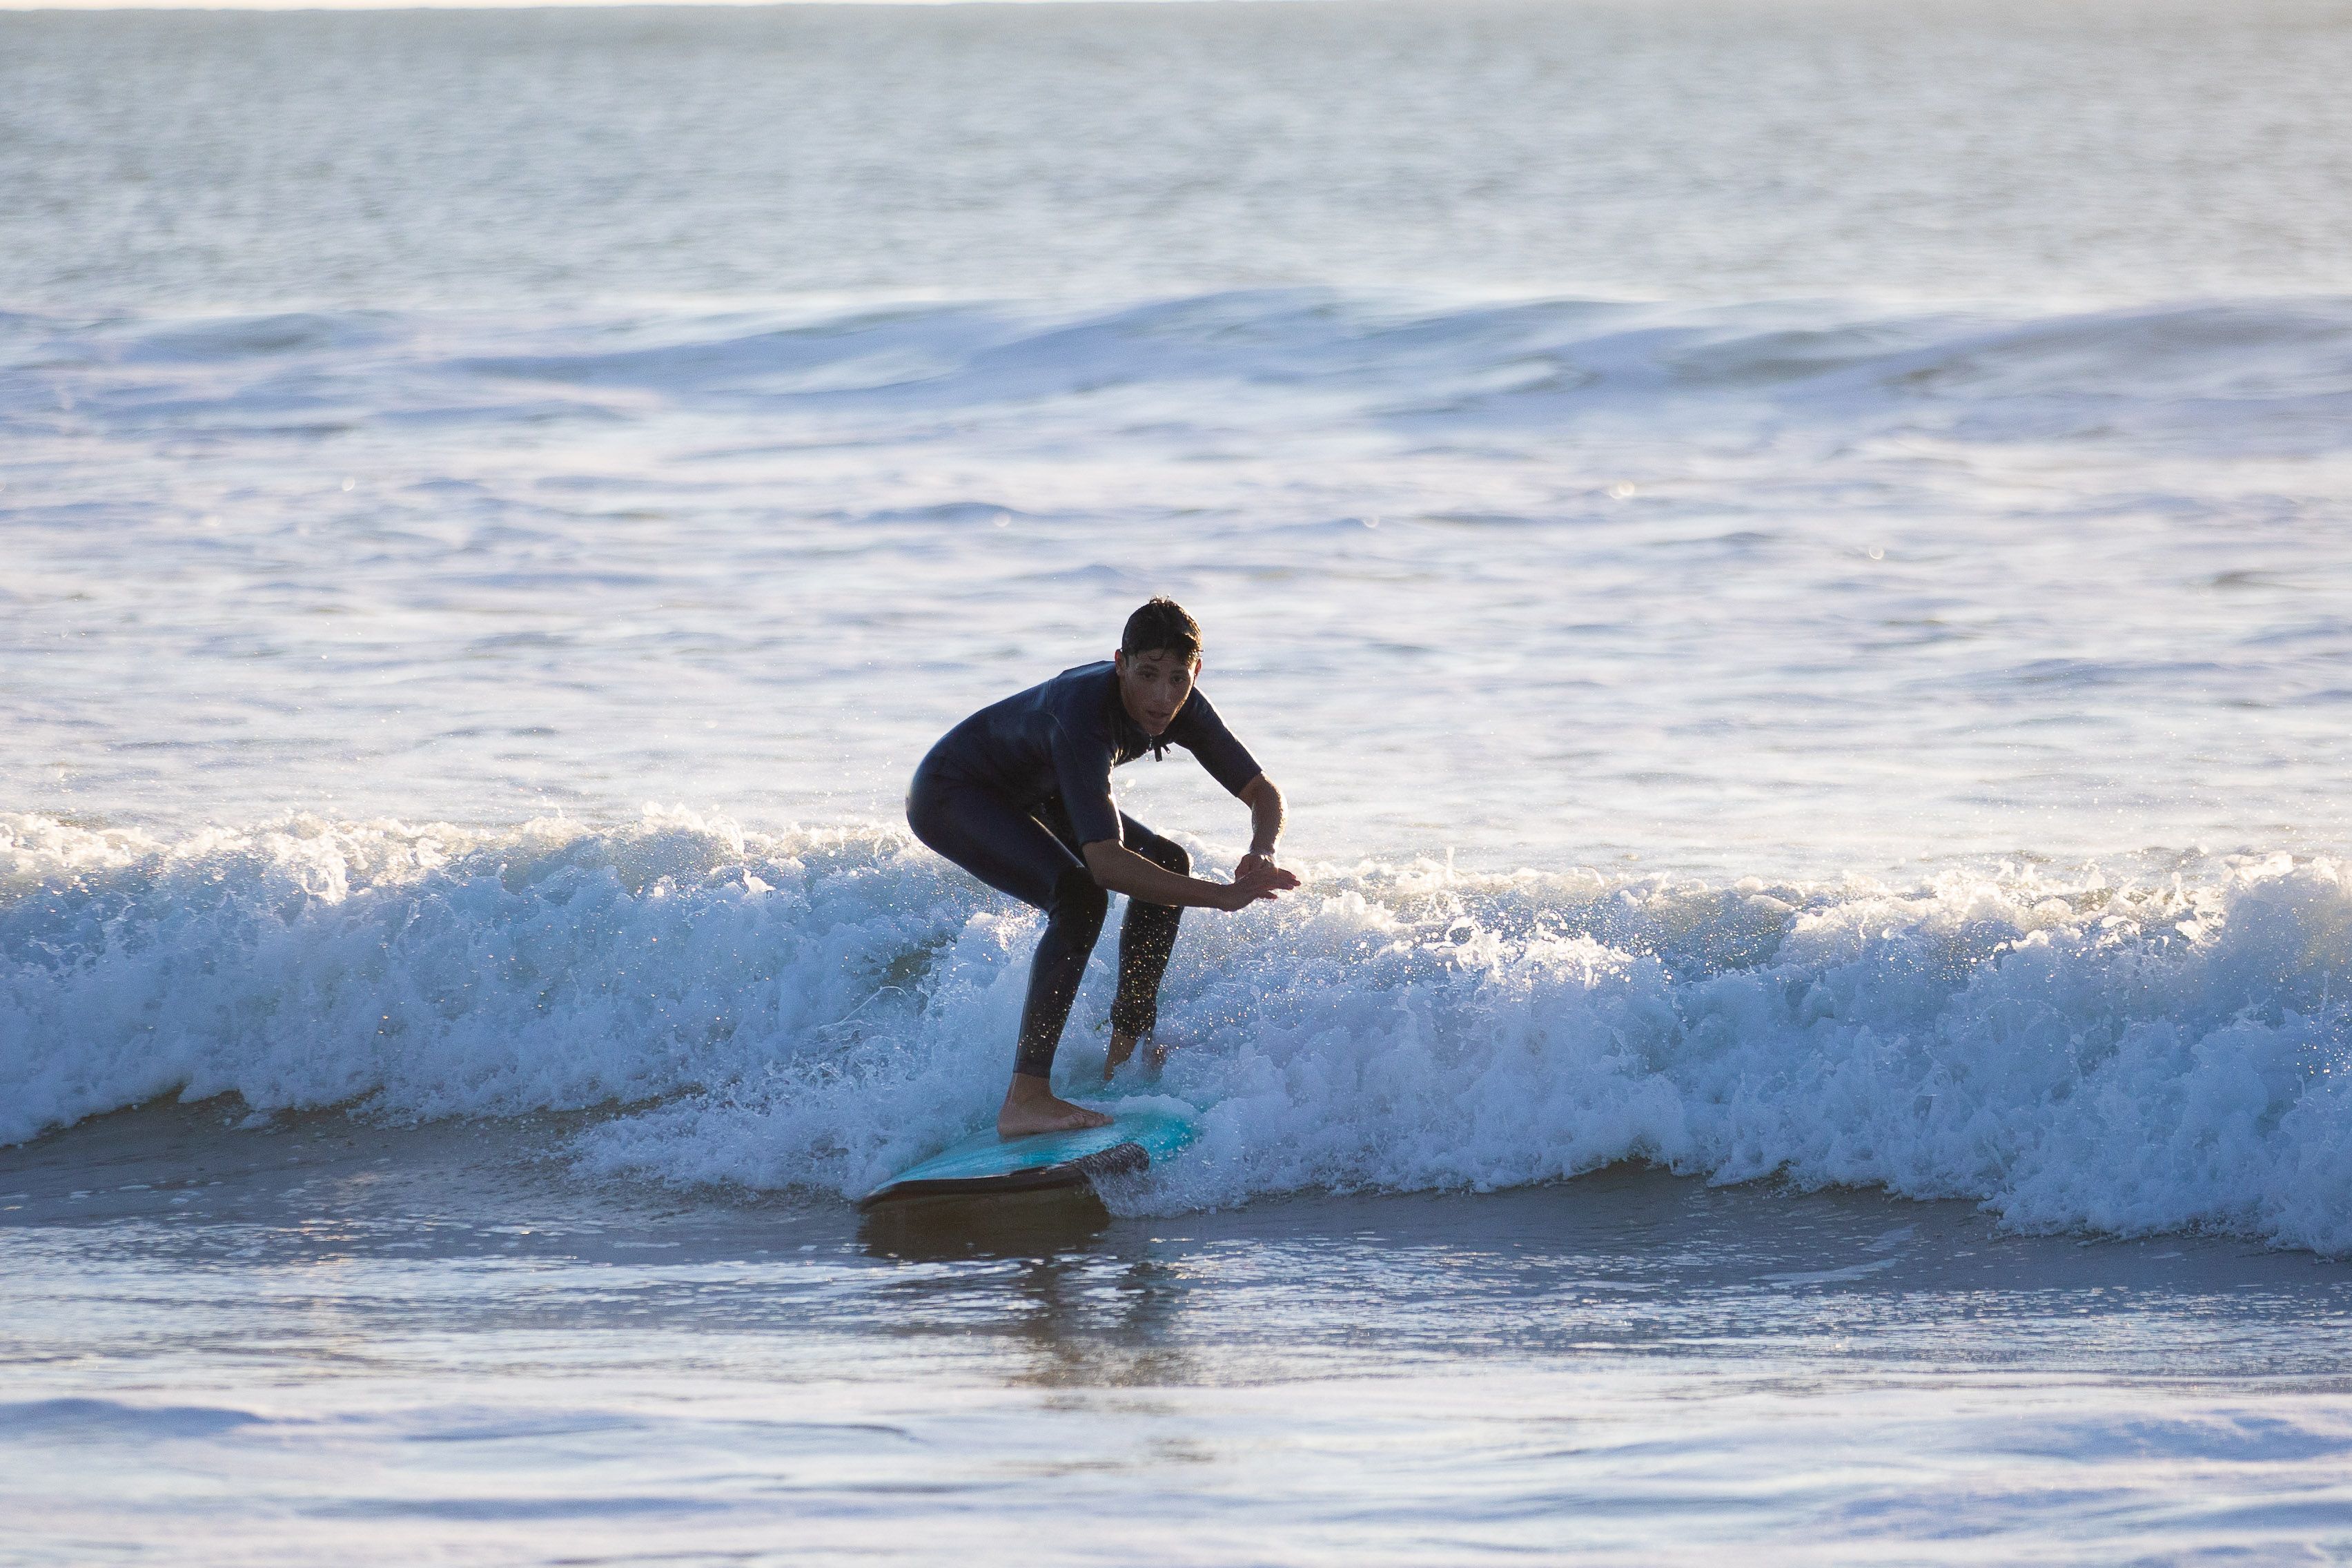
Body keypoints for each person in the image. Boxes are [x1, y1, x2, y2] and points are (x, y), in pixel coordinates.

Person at [906, 598, 1300, 1137]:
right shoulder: (1084, 713)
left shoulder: (1184, 704)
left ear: (1196, 672)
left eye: (1178, 679)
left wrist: (1263, 848)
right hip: (953, 791)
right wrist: (1221, 896)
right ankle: (1025, 1098)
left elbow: (1262, 791)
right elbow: (1107, 865)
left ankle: (1125, 1054)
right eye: (1147, 676)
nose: (1162, 698)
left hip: (1036, 791)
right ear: (1120, 664)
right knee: (1080, 896)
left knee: (1165, 861)